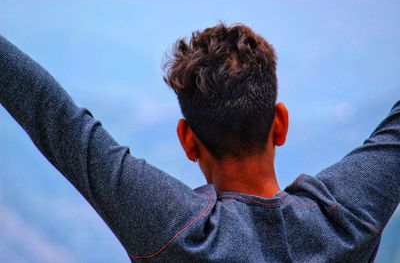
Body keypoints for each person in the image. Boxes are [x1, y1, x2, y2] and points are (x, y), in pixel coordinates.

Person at [0, 23, 398, 262]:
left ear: (188, 141)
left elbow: (58, 120)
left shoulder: (181, 236)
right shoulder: (346, 222)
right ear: (280, 123)